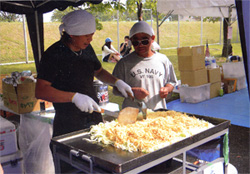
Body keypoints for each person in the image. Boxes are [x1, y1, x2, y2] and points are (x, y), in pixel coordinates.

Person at [35, 10, 133, 138]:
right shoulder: (54, 54)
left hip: (94, 117)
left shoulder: (87, 48)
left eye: (92, 34)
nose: (90, 39)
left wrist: (117, 82)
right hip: (68, 123)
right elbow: (41, 91)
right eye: (86, 35)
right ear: (72, 34)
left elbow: (99, 71)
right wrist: (74, 97)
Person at [112, 21, 177, 111]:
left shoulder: (163, 60)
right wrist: (132, 91)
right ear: (131, 41)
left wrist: (167, 89)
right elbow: (115, 88)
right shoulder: (124, 63)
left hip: (158, 114)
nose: (140, 45)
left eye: (145, 41)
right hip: (133, 115)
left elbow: (171, 81)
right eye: (136, 42)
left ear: (152, 38)